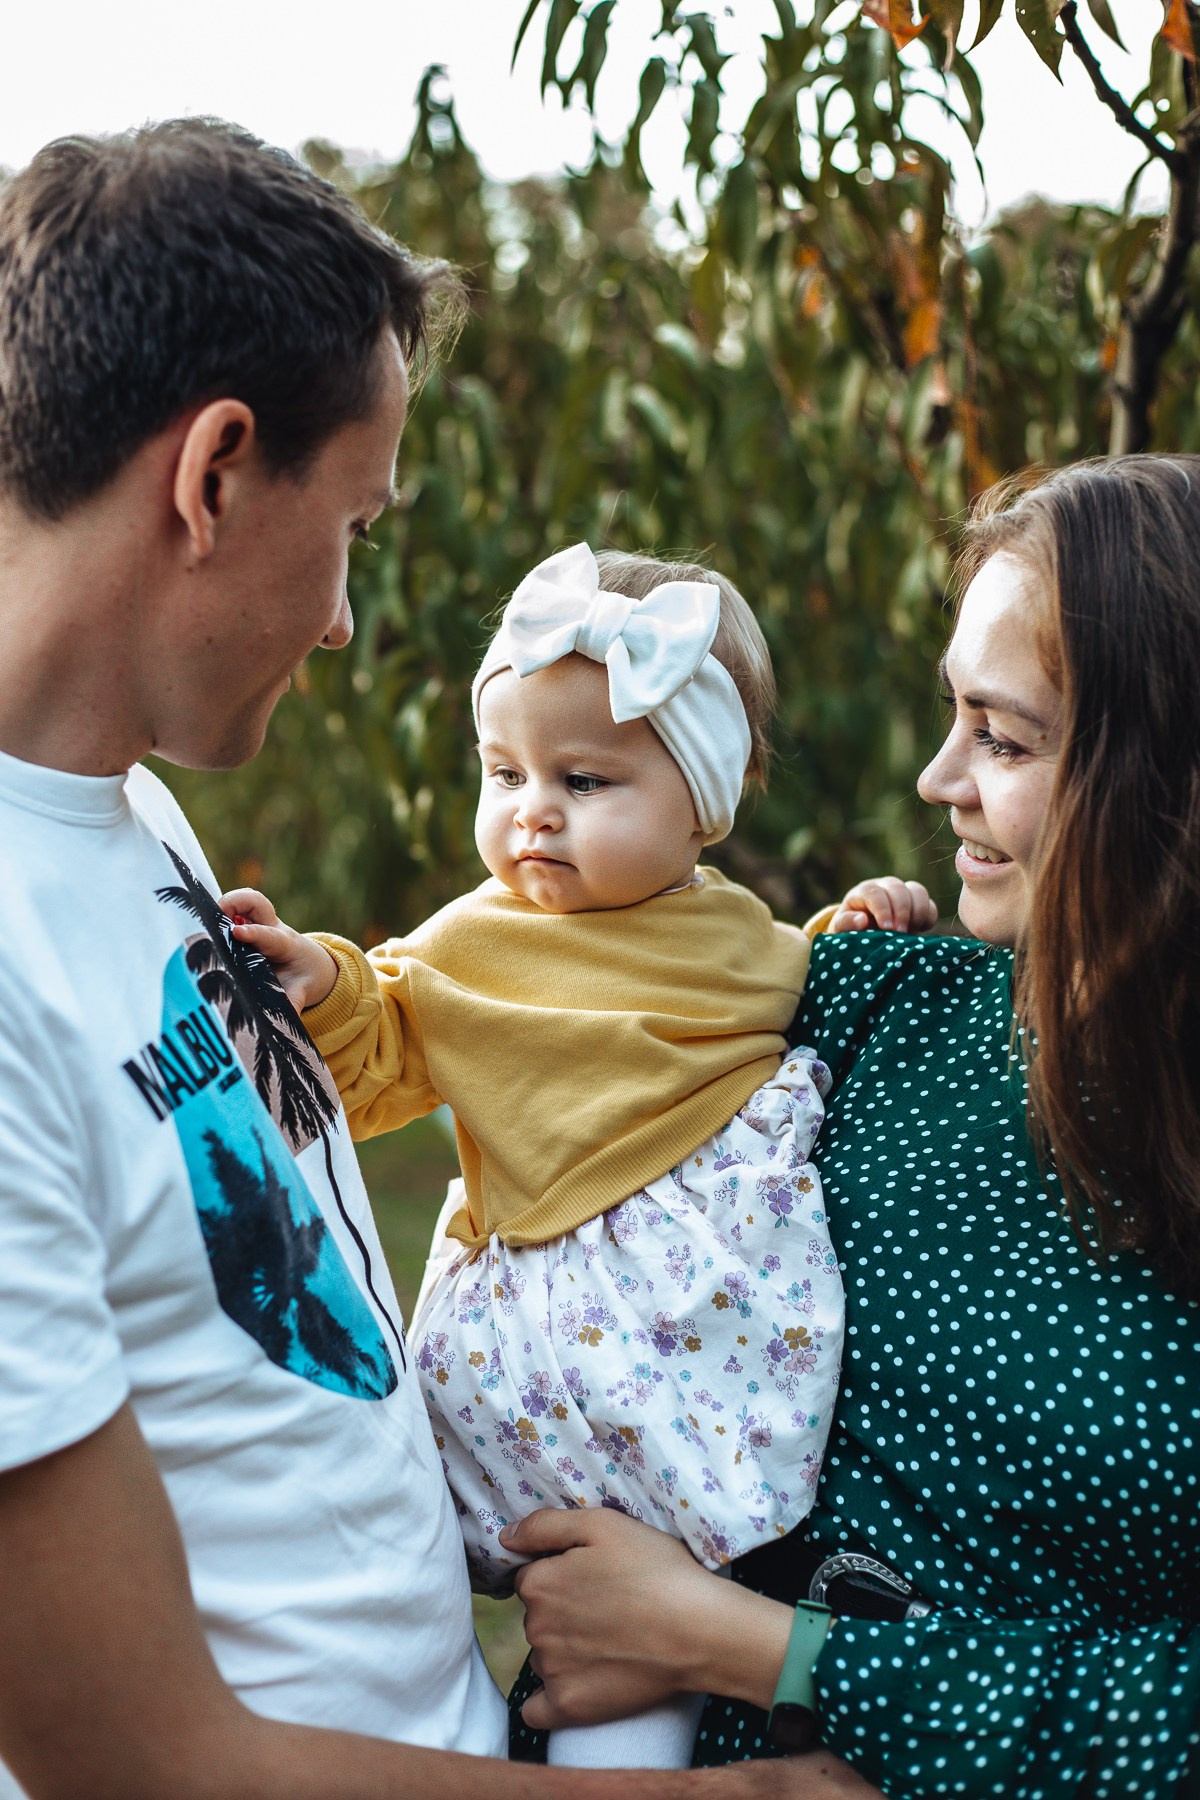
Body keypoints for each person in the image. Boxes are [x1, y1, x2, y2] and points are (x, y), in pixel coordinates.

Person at [0, 118, 860, 1800]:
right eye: (358, 528)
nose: (340, 622)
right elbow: (138, 1762)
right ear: (217, 473)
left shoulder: (127, 816)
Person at [500, 455, 1200, 1798]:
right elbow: (543, 999)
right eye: (955, 719)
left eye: (1003, 739)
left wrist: (758, 1649)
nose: (940, 779)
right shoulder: (873, 1000)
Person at [221, 543, 931, 1769]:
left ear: (703, 801)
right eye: (505, 773)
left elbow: (801, 1002)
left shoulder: (740, 938)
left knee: (686, 1566)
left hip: (701, 1335)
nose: (532, 810)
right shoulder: (474, 942)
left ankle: (716, 1642)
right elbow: (384, 1043)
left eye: (587, 779)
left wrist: (861, 926)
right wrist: (325, 978)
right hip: (550, 1332)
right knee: (510, 1598)